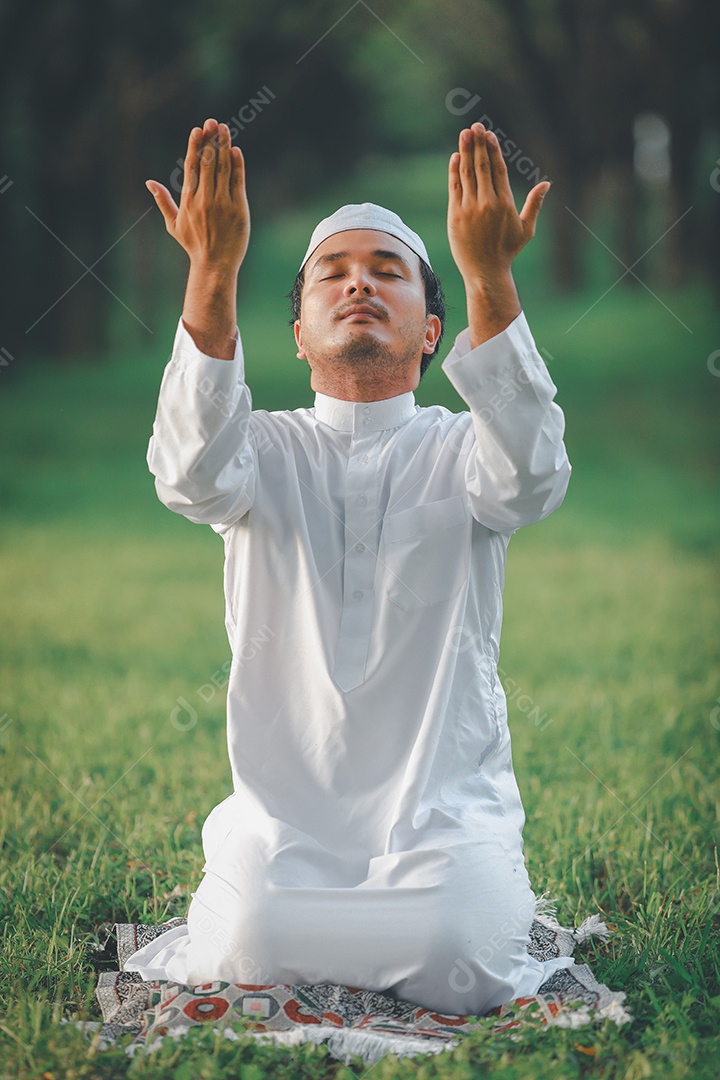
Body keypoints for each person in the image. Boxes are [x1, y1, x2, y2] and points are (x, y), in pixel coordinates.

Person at [125, 117, 575, 1017]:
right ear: (295, 333)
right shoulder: (258, 452)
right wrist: (210, 274)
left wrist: (492, 275)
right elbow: (187, 473)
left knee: (457, 952)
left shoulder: (464, 451)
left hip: (442, 830)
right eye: (332, 272)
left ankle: (427, 915)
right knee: (249, 946)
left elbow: (532, 478)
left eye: (388, 270)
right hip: (285, 834)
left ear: (432, 332)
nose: (358, 282)